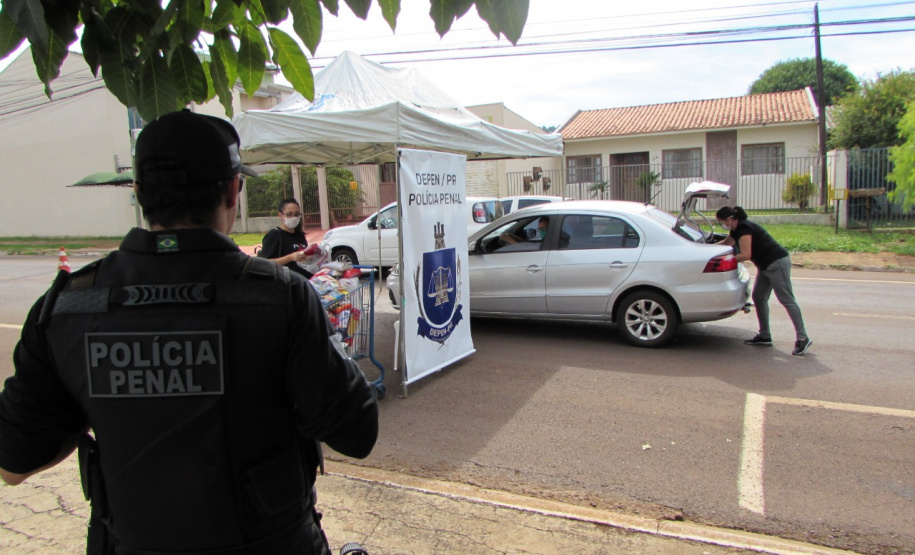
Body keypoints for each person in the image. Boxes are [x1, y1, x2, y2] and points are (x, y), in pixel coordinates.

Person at [0, 109, 379, 554]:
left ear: (139, 193)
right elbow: (357, 434)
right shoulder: (283, 299)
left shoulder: (67, 305)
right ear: (233, 190)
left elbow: (14, 465)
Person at [716, 205, 812, 356]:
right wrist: (704, 248)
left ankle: (802, 337)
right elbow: (726, 244)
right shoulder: (736, 229)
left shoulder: (745, 228)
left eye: (721, 222)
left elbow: (746, 255)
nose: (722, 225)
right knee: (759, 297)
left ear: (730, 219)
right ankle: (764, 335)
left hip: (777, 263)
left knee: (787, 299)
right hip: (765, 266)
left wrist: (728, 260)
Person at [259, 198, 313, 278]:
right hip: (285, 284)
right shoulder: (275, 234)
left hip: (303, 281)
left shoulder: (299, 234)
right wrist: (290, 257)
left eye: (297, 214)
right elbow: (263, 264)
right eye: (289, 214)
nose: (293, 217)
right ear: (280, 215)